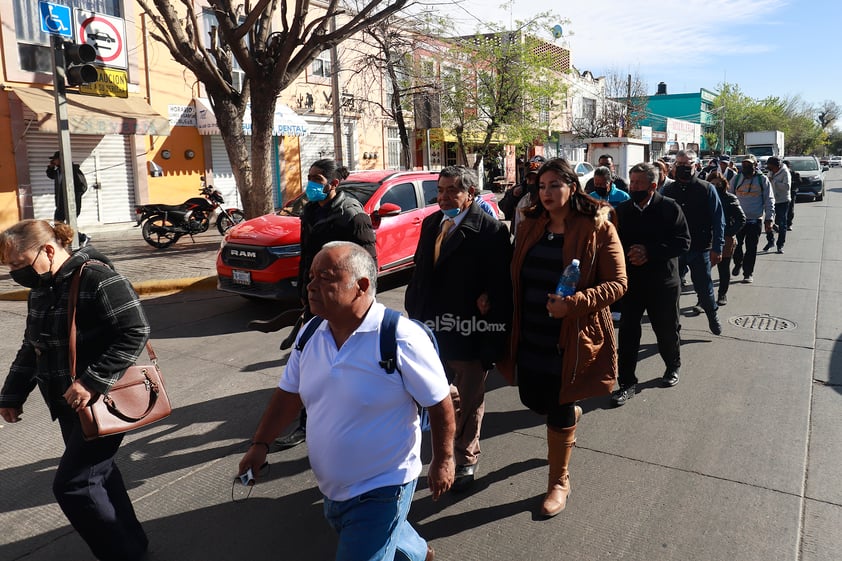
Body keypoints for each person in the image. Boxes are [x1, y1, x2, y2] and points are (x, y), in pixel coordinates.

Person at [239, 242, 454, 561]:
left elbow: (439, 404)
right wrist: (260, 444)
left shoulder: (399, 338)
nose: (310, 285)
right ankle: (418, 553)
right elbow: (289, 395)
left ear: (361, 286)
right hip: (334, 489)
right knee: (381, 536)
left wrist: (443, 459)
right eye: (311, 276)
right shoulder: (310, 332)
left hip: (384, 486)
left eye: (325, 277)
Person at [0, 219, 150, 561]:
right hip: (67, 403)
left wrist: (92, 381)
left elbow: (135, 330)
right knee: (101, 476)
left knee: (74, 485)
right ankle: (133, 546)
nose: (15, 273)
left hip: (102, 401)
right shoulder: (43, 285)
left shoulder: (97, 277)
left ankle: (121, 554)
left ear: (49, 250)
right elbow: (32, 346)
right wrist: (11, 395)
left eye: (19, 264)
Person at [499, 157, 626, 516]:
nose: (547, 192)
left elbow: (619, 283)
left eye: (555, 184)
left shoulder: (597, 226)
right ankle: (568, 417)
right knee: (533, 399)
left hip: (571, 333)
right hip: (530, 330)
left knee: (558, 404)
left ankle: (559, 480)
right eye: (541, 186)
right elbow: (514, 271)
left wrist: (574, 304)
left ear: (573, 187)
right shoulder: (530, 224)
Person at [405, 165, 512, 493]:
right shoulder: (432, 223)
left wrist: (489, 302)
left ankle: (466, 455)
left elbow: (502, 286)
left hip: (469, 331)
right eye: (440, 190)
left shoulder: (491, 231)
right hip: (431, 330)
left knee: (468, 398)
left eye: (453, 190)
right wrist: (414, 312)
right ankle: (442, 450)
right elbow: (421, 271)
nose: (444, 196)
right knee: (436, 394)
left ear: (471, 194)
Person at [276, 158, 377, 449]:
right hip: (316, 299)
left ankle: (356, 418)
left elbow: (369, 265)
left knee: (349, 364)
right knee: (312, 361)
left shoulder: (352, 215)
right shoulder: (309, 210)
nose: (310, 184)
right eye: (309, 177)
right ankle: (309, 423)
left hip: (346, 305)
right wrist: (303, 289)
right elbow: (307, 254)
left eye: (316, 179)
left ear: (333, 184)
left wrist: (362, 308)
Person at [611, 162, 690, 405]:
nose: (633, 187)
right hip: (632, 283)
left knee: (666, 330)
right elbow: (613, 243)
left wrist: (650, 252)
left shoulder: (669, 208)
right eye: (631, 182)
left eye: (638, 183)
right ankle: (626, 382)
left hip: (663, 283)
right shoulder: (622, 211)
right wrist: (628, 254)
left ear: (653, 186)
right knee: (627, 334)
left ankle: (672, 366)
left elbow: (683, 242)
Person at [662, 149, 725, 335]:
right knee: (671, 290)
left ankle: (712, 316)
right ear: (674, 167)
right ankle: (673, 327)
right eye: (679, 164)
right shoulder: (668, 190)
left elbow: (718, 219)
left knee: (704, 289)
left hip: (700, 247)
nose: (683, 168)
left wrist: (717, 247)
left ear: (695, 165)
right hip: (675, 249)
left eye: (687, 164)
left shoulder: (706, 188)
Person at [729, 154, 775, 284]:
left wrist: (769, 219)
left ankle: (748, 273)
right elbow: (729, 197)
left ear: (755, 166)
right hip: (738, 221)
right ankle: (738, 263)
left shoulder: (763, 180)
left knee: (751, 248)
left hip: (755, 220)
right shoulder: (736, 179)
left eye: (749, 165)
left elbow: (769, 200)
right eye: (744, 165)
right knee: (736, 247)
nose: (746, 167)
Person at [706, 171, 746, 306]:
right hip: (706, 238)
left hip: (725, 239)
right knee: (703, 271)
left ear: (724, 184)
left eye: (719, 183)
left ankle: (722, 293)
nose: (716, 186)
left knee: (723, 268)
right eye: (712, 184)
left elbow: (741, 219)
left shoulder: (730, 198)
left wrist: (727, 233)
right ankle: (703, 298)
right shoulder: (703, 198)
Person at [47, 151, 89, 246]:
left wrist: (73, 197)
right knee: (58, 224)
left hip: (71, 204)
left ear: (60, 159)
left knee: (69, 225)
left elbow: (83, 186)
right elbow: (51, 175)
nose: (53, 161)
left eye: (55, 159)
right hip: (60, 204)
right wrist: (50, 167)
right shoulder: (58, 171)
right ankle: (79, 238)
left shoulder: (73, 169)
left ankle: (81, 238)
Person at [764, 156, 790, 253]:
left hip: (782, 201)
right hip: (771, 200)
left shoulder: (785, 172)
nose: (768, 167)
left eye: (769, 165)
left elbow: (787, 187)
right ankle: (770, 241)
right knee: (768, 221)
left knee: (782, 223)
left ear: (776, 166)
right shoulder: (771, 172)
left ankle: (780, 245)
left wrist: (774, 182)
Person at [783, 159, 800, 229]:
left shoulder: (794, 174)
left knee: (790, 208)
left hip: (791, 193)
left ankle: (789, 223)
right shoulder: (780, 174)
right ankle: (780, 223)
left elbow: (799, 182)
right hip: (781, 193)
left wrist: (791, 184)